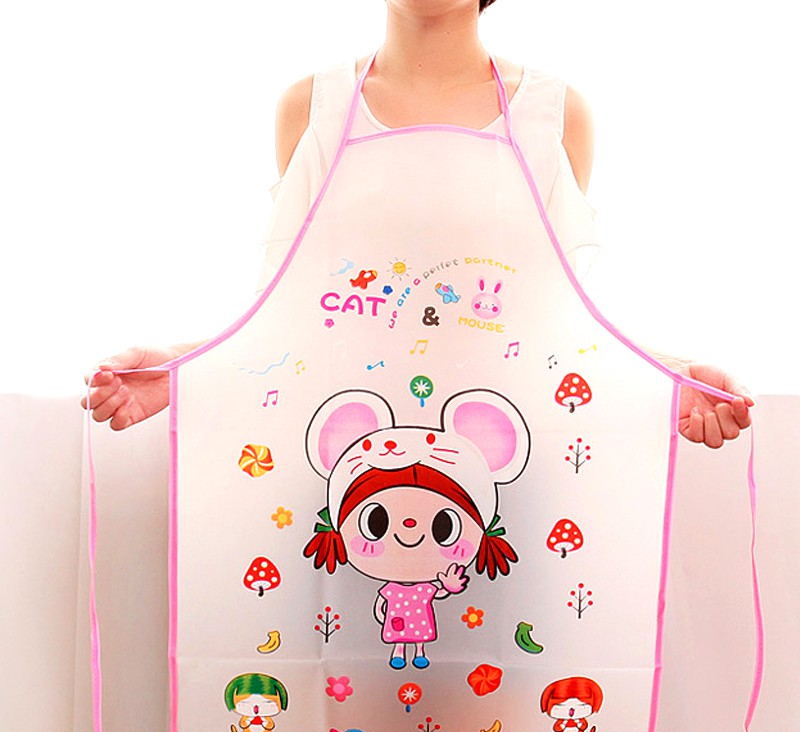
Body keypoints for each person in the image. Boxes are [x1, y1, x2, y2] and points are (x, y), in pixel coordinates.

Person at [83, 0, 752, 451]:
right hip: (342, 459)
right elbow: (299, 312)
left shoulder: (553, 114)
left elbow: (556, 318)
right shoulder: (313, 107)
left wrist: (671, 377)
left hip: (509, 455)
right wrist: (179, 369)